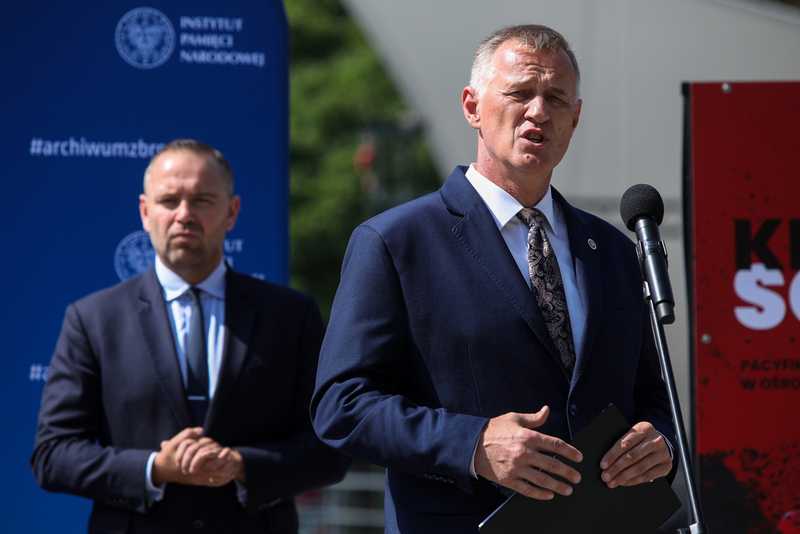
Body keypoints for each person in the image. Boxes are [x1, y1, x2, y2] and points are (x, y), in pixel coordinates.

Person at [310, 25, 677, 533]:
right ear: (472, 106)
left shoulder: (614, 250)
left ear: (576, 117)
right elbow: (342, 405)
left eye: (555, 98)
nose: (538, 111)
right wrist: (473, 445)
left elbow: (651, 396)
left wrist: (661, 442)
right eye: (519, 93)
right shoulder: (395, 242)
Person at [31, 139, 350, 533]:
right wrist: (154, 469)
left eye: (202, 200)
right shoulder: (93, 319)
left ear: (231, 212)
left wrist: (241, 465)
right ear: (146, 213)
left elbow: (329, 448)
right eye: (168, 201)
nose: (184, 214)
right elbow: (53, 455)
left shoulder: (291, 315)